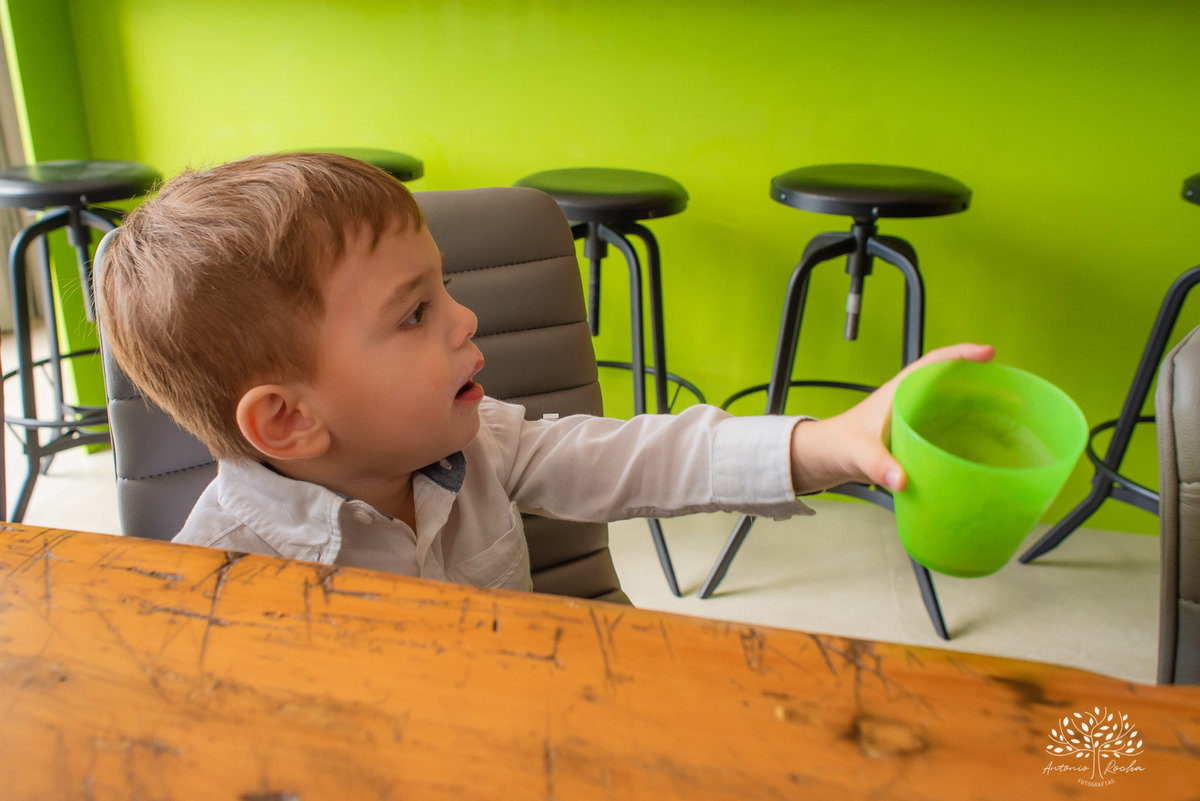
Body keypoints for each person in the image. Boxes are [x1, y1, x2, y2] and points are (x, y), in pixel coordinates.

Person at [97, 152, 993, 591]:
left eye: (444, 289)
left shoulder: (483, 443)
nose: (466, 318)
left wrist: (826, 443)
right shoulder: (221, 582)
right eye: (415, 313)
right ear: (288, 421)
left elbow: (645, 456)